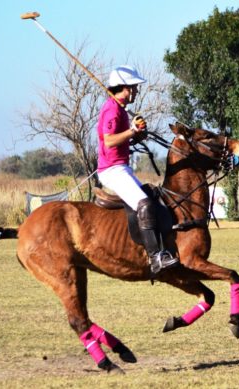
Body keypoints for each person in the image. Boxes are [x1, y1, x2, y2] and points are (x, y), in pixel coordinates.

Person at [96, 65, 178, 276]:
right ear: (124, 87)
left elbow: (127, 138)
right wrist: (132, 131)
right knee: (144, 204)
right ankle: (155, 257)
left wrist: (138, 133)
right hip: (112, 169)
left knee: (150, 197)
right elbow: (109, 141)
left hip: (121, 166)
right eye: (134, 87)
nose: (136, 91)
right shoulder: (112, 110)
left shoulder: (120, 109)